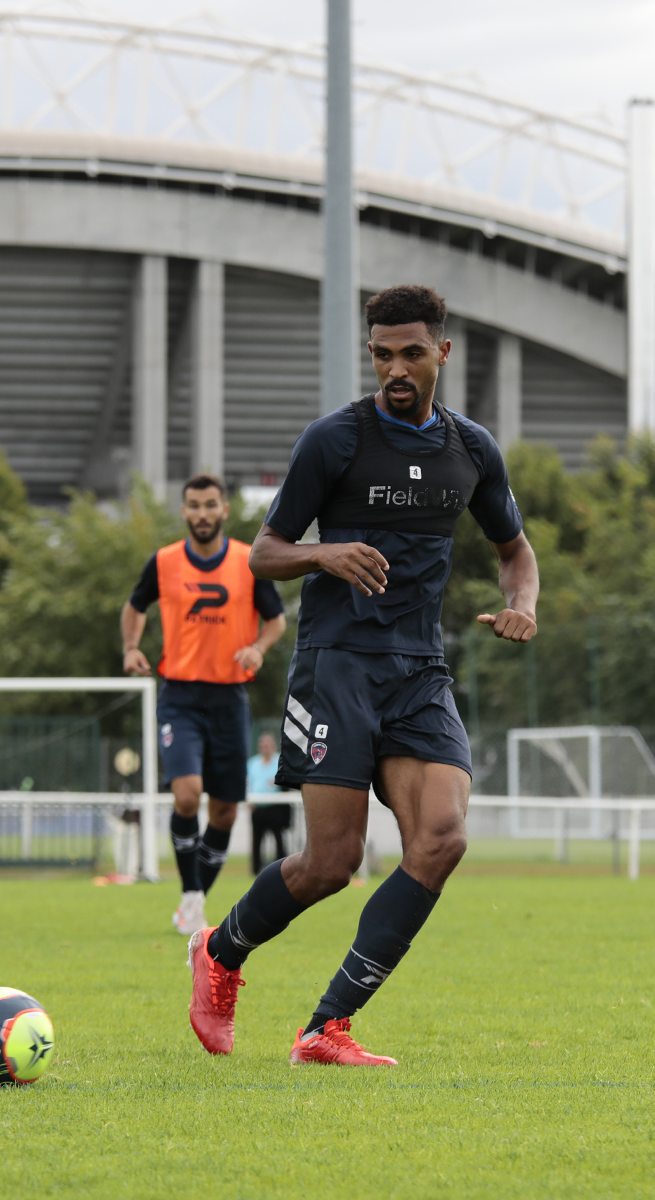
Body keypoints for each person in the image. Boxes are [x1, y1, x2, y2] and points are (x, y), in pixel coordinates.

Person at [185, 284, 539, 1067]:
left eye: (411, 352)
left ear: (442, 351)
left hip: (419, 671)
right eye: (382, 355)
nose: (395, 369)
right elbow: (264, 552)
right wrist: (324, 553)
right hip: (336, 667)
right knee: (331, 865)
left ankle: (326, 1027)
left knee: (441, 839)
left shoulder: (472, 450)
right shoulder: (334, 440)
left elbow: (516, 551)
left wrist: (523, 603)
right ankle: (220, 950)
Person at [122, 475, 288, 937]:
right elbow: (135, 607)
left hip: (229, 698)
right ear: (184, 511)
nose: (201, 514)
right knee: (187, 794)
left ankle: (192, 900)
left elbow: (275, 620)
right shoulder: (164, 562)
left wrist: (258, 648)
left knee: (225, 813)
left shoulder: (246, 561)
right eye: (193, 505)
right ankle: (192, 896)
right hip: (180, 696)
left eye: (210, 505)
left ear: (224, 511)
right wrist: (131, 646)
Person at [245, 731, 293, 874]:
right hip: (258, 806)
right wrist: (249, 800)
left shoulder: (280, 761)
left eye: (267, 745)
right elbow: (248, 783)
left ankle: (282, 869)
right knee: (257, 840)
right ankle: (255, 870)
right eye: (262, 745)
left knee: (279, 839)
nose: (265, 747)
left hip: (275, 806)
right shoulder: (252, 763)